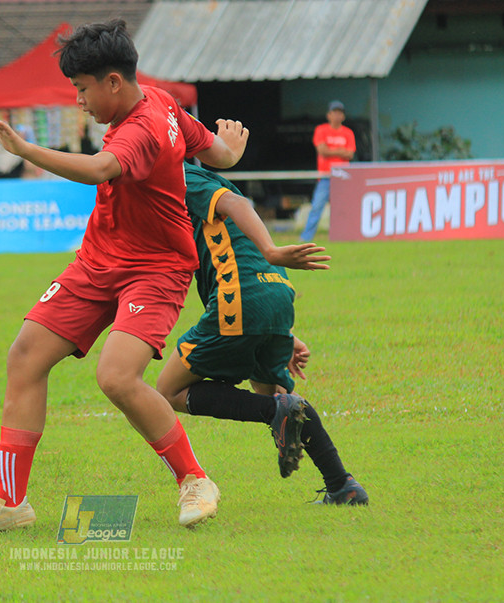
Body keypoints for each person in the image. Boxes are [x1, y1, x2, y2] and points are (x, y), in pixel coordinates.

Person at [0, 19, 247, 533]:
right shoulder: (163, 102)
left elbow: (100, 170)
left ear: (113, 82)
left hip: (155, 271)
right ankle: (9, 502)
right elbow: (215, 152)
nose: (79, 101)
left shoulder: (142, 127)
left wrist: (25, 150)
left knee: (116, 376)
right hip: (98, 261)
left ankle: (194, 479)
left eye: (82, 89)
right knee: (25, 356)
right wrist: (233, 148)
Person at [156, 161, 368, 505]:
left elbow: (238, 209)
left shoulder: (179, 176)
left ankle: (275, 413)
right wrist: (284, 329)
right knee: (274, 392)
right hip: (272, 292)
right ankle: (342, 484)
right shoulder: (210, 180)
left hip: (241, 299)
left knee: (168, 390)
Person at [300, 100, 355, 242]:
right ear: (328, 115)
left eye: (339, 113)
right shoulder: (321, 130)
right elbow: (322, 150)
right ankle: (306, 238)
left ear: (343, 116)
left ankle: (345, 236)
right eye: (334, 112)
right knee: (316, 207)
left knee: (345, 209)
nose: (337, 116)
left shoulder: (348, 133)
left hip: (342, 177)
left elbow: (350, 154)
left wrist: (333, 151)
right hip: (325, 176)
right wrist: (340, 151)